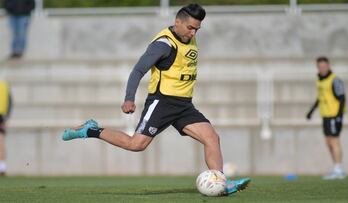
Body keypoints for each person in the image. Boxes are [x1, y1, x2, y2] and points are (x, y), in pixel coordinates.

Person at [62, 4, 250, 195]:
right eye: (190, 28)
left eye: (197, 29)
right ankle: (91, 129)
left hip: (184, 105)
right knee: (136, 144)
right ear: (178, 22)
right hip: (162, 102)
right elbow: (138, 70)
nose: (193, 33)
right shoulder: (163, 45)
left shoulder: (189, 39)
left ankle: (220, 182)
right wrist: (129, 98)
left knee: (211, 138)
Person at [306, 57, 347, 180]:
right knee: (328, 142)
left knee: (334, 141)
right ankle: (336, 168)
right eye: (320, 66)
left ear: (328, 65)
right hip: (325, 115)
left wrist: (339, 116)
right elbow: (320, 98)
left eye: (324, 66)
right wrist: (311, 111)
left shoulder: (335, 80)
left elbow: (342, 98)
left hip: (334, 115)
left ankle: (339, 169)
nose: (322, 68)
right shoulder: (319, 80)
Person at [0, 80, 12, 176]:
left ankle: (2, 167)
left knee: (0, 140)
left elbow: (9, 102)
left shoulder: (3, 86)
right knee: (1, 140)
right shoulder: (4, 85)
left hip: (1, 116)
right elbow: (10, 102)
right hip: (1, 116)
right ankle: (2, 167)